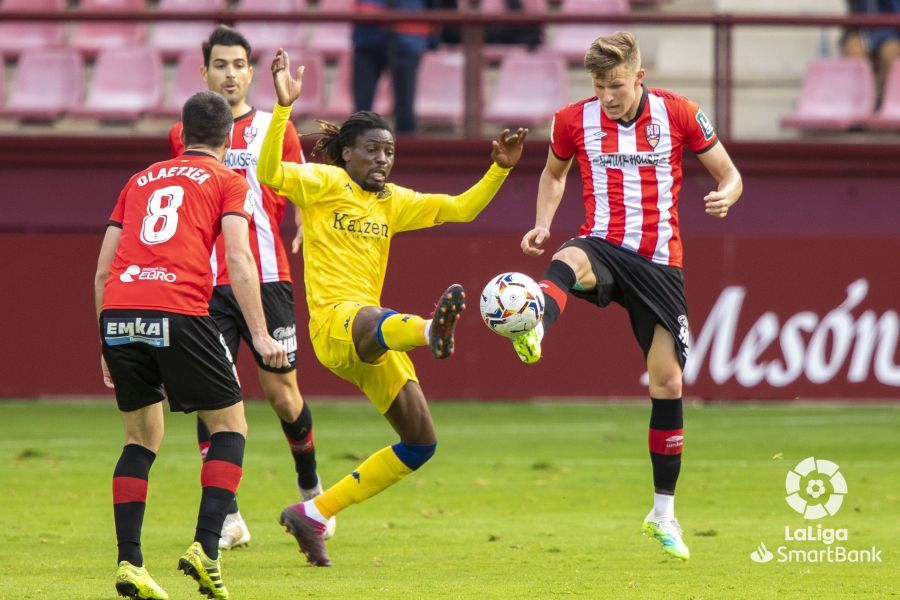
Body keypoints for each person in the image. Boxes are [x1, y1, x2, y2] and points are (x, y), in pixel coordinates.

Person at [258, 48, 527, 566]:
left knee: (421, 442)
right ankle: (431, 332)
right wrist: (283, 109)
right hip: (337, 326)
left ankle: (313, 514)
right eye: (373, 150)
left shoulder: (392, 201)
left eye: (390, 151)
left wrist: (497, 169)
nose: (384, 159)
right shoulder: (324, 184)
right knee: (371, 319)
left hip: (377, 337)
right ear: (348, 154)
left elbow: (460, 210)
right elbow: (271, 172)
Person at [512, 31, 743, 561]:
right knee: (568, 260)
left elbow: (729, 175)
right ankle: (533, 327)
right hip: (604, 244)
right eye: (599, 86)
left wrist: (726, 196)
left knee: (668, 382)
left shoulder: (681, 113)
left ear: (638, 77)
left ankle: (663, 513)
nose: (608, 96)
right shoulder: (572, 119)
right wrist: (543, 223)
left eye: (616, 84)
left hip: (661, 261)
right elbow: (553, 174)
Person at [96, 91, 289, 600]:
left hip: (119, 310)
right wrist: (262, 332)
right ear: (228, 137)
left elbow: (102, 269)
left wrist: (105, 339)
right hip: (178, 307)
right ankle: (206, 549)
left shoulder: (138, 180)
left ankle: (130, 564)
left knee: (139, 439)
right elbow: (240, 259)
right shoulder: (229, 180)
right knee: (230, 424)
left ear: (181, 135)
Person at [168, 25, 334, 550]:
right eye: (221, 65)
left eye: (239, 65)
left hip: (264, 276)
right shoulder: (182, 135)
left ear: (249, 71)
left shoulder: (273, 126)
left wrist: (309, 220)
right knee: (214, 396)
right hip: (203, 283)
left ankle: (310, 487)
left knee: (282, 393)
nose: (231, 74)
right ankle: (229, 517)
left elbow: (304, 182)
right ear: (205, 72)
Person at [352, 0, 431, 133]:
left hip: (406, 38)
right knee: (361, 111)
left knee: (405, 112)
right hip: (368, 37)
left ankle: (406, 149)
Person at [841, 0, 900, 105]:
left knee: (891, 53)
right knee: (855, 53)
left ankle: (880, 102)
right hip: (859, 29)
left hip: (892, 31)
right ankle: (859, 106)